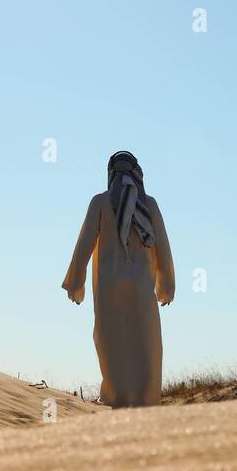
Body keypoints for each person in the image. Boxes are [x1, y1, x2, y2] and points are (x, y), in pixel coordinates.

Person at [62, 151, 175, 407]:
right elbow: (163, 249)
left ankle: (118, 398)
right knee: (144, 345)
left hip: (109, 287)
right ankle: (145, 400)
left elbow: (84, 244)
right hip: (141, 289)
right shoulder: (149, 205)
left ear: (111, 173)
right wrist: (166, 286)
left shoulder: (100, 202)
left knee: (112, 344)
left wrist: (75, 282)